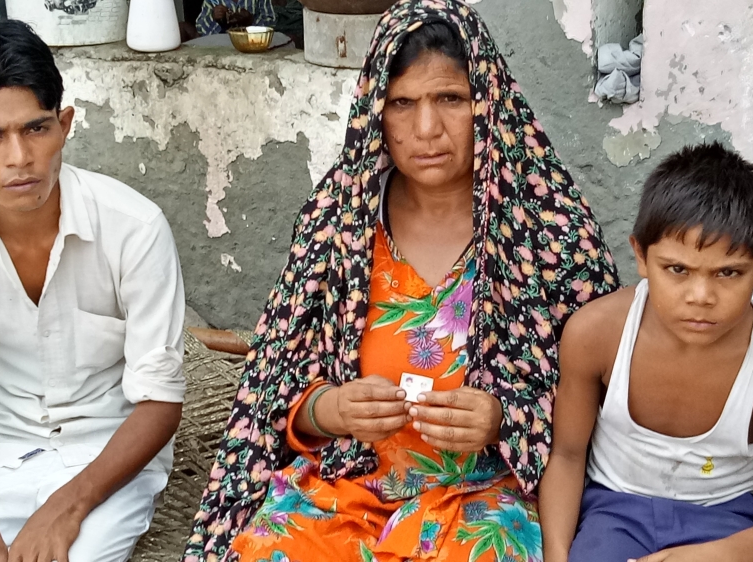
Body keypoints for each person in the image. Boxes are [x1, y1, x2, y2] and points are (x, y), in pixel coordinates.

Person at [183, 1, 619, 560]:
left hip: (484, 498)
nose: (427, 129)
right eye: (402, 104)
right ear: (376, 114)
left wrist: (504, 420)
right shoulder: (338, 222)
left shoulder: (548, 231)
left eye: (451, 100)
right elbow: (275, 385)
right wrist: (330, 409)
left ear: (488, 103)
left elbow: (609, 393)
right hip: (347, 488)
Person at [0, 18, 186, 562]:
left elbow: (159, 398)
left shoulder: (134, 227)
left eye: (36, 128)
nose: (19, 158)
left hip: (113, 450)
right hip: (2, 448)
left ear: (65, 125)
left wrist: (65, 509)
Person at [539, 143, 753, 562]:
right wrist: (558, 553)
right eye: (677, 270)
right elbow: (566, 455)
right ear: (640, 255)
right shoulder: (596, 333)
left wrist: (715, 556)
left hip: (725, 523)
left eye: (727, 273)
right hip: (612, 511)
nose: (701, 296)